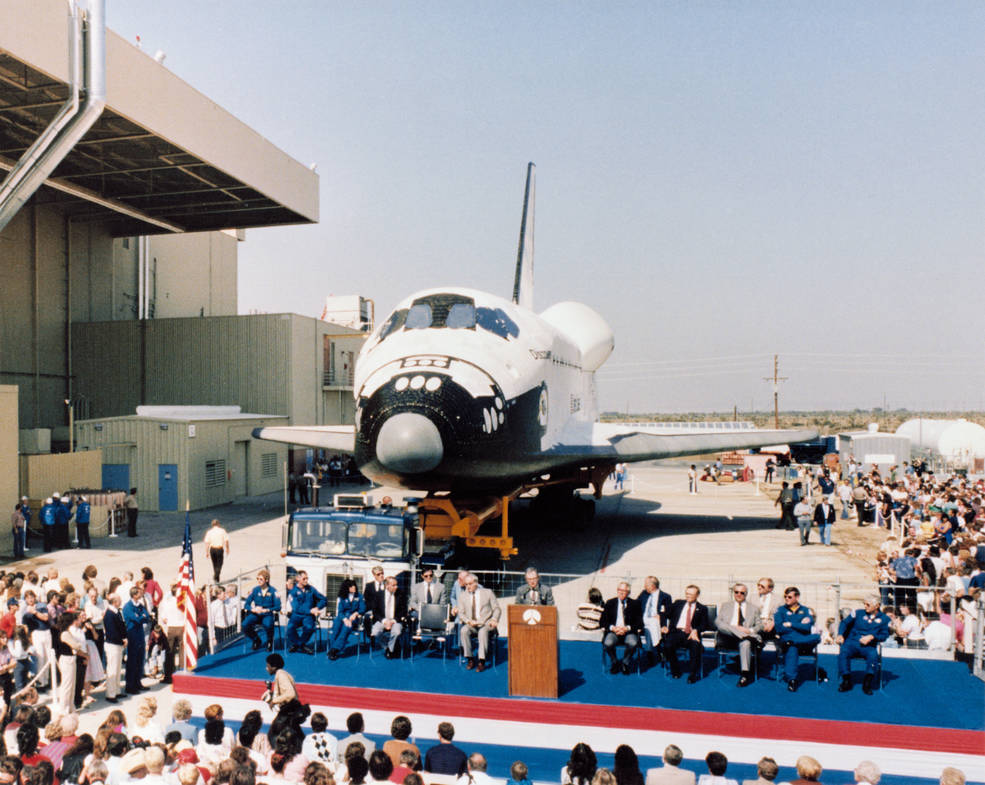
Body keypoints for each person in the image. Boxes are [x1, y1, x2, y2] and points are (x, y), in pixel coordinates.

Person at [836, 595, 891, 695]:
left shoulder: (884, 619)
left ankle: (867, 683)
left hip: (869, 646)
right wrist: (840, 634)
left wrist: (872, 637)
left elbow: (884, 635)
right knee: (843, 652)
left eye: (868, 605)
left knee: (873, 655)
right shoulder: (857, 613)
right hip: (852, 642)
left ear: (877, 606)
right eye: (864, 604)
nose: (865, 606)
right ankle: (846, 680)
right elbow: (844, 623)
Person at [773, 586, 821, 692]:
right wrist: (799, 626)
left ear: (797, 597)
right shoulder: (780, 610)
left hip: (799, 641)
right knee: (792, 648)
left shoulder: (805, 610)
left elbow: (808, 627)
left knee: (817, 637)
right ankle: (792, 680)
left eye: (789, 597)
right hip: (789, 641)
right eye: (785, 597)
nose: (786, 599)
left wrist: (790, 624)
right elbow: (779, 628)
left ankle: (794, 641)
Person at [715, 583, 762, 687]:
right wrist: (735, 629)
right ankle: (744, 635)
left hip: (746, 636)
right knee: (721, 625)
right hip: (728, 636)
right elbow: (718, 622)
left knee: (746, 643)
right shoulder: (725, 605)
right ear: (733, 593)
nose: (739, 594)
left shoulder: (754, 608)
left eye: (742, 592)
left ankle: (744, 674)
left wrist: (748, 630)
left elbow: (759, 625)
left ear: (746, 594)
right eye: (736, 592)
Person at [662, 584, 709, 683]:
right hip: (676, 633)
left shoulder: (702, 608)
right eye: (687, 593)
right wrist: (663, 626)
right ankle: (675, 670)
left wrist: (696, 630)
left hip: (691, 634)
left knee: (696, 646)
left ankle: (693, 674)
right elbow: (664, 614)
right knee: (668, 645)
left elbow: (705, 625)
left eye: (691, 594)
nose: (688, 596)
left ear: (697, 595)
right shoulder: (678, 603)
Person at [457, 573, 500, 672]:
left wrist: (494, 619)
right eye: (466, 584)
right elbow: (461, 613)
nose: (468, 586)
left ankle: (481, 661)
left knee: (483, 632)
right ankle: (470, 658)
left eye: (470, 584)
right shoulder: (462, 596)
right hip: (471, 623)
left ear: (476, 583)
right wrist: (468, 621)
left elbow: (497, 608)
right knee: (464, 630)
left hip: (486, 623)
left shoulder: (488, 593)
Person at [600, 582, 642, 675]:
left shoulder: (635, 604)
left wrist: (627, 628)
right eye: (619, 590)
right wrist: (613, 628)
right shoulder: (610, 603)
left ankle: (625, 662)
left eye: (624, 591)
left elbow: (640, 623)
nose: (621, 593)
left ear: (629, 592)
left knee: (633, 643)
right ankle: (614, 661)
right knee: (608, 643)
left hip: (629, 632)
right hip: (614, 631)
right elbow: (602, 621)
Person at [286, 570, 325, 655]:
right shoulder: (292, 592)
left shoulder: (311, 589)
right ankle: (302, 645)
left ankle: (297, 644)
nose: (306, 581)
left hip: (308, 616)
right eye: (304, 579)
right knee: (290, 628)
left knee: (309, 627)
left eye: (307, 578)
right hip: (296, 615)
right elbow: (296, 607)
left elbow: (323, 599)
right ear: (297, 578)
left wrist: (317, 607)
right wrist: (310, 610)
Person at [242, 570, 280, 651]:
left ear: (266, 580)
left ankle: (270, 641)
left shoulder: (273, 591)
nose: (259, 581)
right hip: (256, 614)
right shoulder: (255, 590)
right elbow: (246, 604)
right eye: (258, 579)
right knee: (245, 624)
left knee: (268, 624)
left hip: (267, 614)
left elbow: (278, 607)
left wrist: (266, 610)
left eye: (261, 579)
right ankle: (256, 640)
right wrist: (253, 609)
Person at [122, 586, 150, 695]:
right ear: (134, 595)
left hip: (140, 635)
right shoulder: (128, 607)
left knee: (140, 659)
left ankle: (138, 682)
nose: (141, 594)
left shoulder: (140, 605)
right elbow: (136, 619)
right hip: (132, 635)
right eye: (139, 593)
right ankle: (130, 685)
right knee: (132, 661)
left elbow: (146, 617)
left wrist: (141, 617)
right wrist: (140, 617)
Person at [638, 576, 672, 664]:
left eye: (646, 585)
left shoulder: (665, 596)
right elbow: (636, 605)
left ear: (653, 586)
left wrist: (661, 615)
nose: (644, 586)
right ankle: (658, 647)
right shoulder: (643, 594)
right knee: (651, 623)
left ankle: (650, 650)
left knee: (651, 625)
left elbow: (669, 612)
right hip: (643, 619)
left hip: (656, 621)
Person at [371, 577, 407, 659]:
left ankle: (390, 650)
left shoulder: (401, 594)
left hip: (396, 620)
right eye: (393, 585)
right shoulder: (378, 595)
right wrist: (384, 621)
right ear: (387, 586)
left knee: (397, 632)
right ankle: (387, 646)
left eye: (396, 585)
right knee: (375, 632)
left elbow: (404, 611)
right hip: (383, 620)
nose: (396, 587)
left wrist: (393, 621)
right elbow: (375, 611)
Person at [328, 579, 364, 660]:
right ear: (346, 588)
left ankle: (334, 649)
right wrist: (345, 619)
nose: (354, 587)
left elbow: (362, 609)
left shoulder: (359, 596)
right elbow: (340, 611)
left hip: (353, 617)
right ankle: (333, 649)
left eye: (354, 585)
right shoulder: (342, 597)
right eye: (351, 586)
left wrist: (355, 614)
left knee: (346, 628)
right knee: (336, 626)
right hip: (342, 617)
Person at [102, 594, 126, 703]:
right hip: (112, 644)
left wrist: (124, 638)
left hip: (118, 643)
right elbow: (112, 632)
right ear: (114, 602)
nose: (120, 602)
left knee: (117, 668)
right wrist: (122, 640)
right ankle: (110, 694)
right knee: (112, 669)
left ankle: (117, 690)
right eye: (119, 600)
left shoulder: (117, 612)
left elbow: (121, 627)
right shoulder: (109, 614)